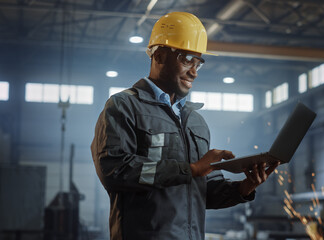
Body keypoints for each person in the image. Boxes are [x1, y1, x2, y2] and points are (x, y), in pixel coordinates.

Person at [91, 12, 279, 240]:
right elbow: (116, 171)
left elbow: (205, 193)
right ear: (159, 56)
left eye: (198, 63)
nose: (194, 71)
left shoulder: (196, 122)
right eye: (187, 59)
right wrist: (190, 169)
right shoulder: (124, 107)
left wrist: (245, 187)